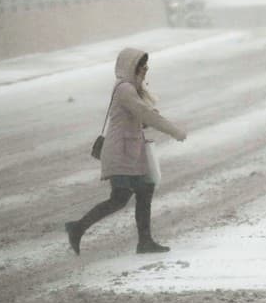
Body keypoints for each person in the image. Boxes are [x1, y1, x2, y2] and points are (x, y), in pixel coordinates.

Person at [66, 47, 187, 255]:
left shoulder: (132, 89)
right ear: (131, 67)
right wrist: (173, 131)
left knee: (145, 190)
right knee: (120, 197)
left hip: (130, 151)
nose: (145, 69)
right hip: (119, 152)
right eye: (142, 66)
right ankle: (77, 227)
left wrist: (147, 119)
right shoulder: (125, 89)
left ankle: (145, 241)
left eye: (146, 66)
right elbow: (144, 113)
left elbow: (139, 116)